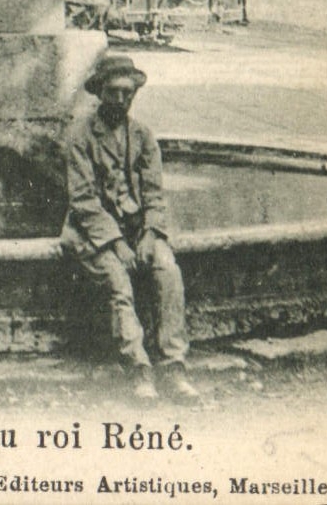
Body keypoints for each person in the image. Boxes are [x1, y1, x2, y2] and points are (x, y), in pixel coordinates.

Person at [61, 52, 198, 401]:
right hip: (92, 233)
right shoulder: (80, 135)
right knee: (118, 282)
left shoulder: (143, 136)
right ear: (99, 92)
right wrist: (116, 243)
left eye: (127, 92)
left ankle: (174, 364)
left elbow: (154, 194)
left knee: (168, 270)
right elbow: (83, 200)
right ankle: (139, 368)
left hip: (139, 230)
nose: (121, 100)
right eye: (113, 92)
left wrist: (151, 234)